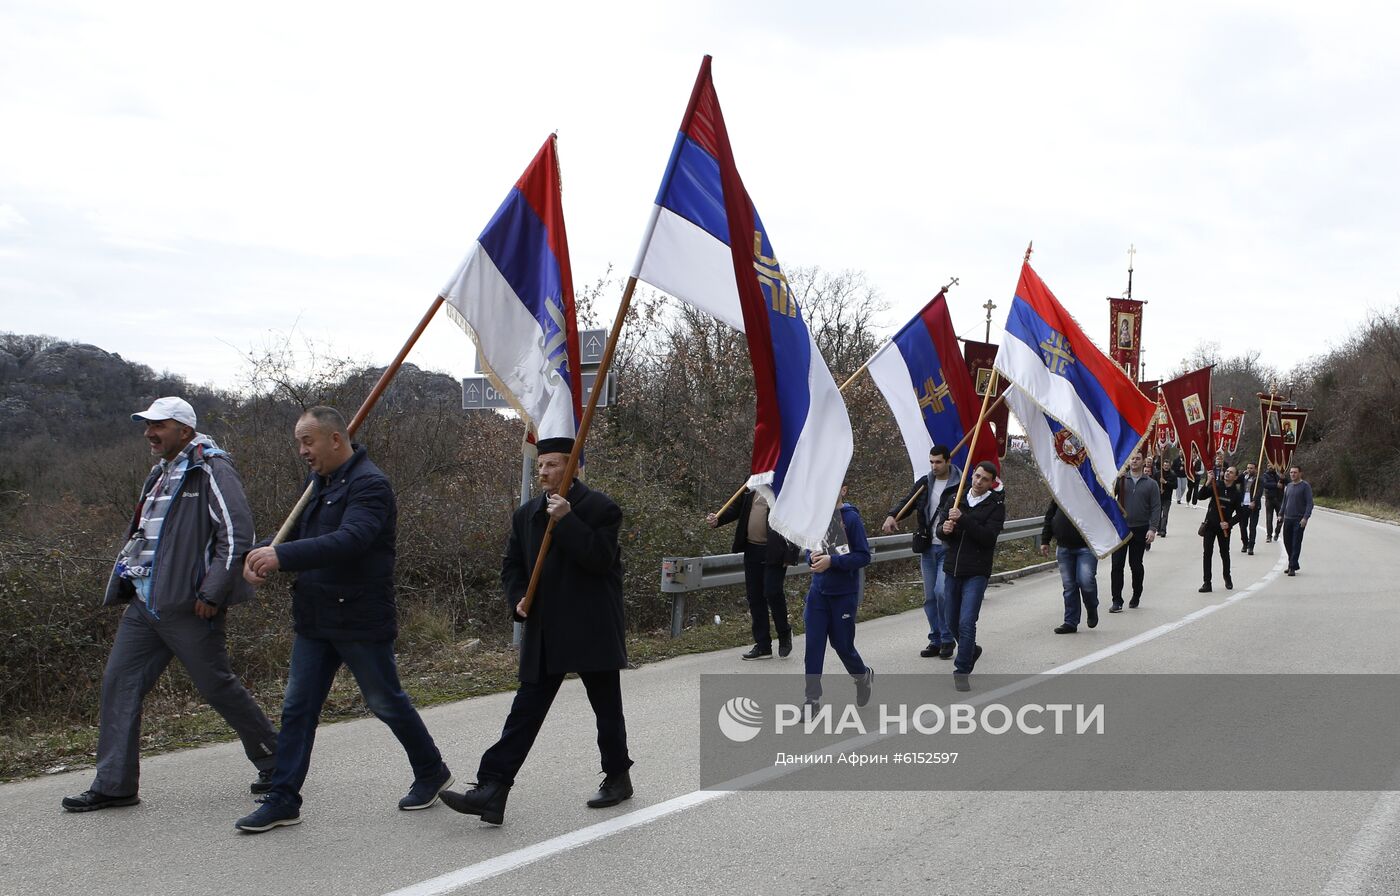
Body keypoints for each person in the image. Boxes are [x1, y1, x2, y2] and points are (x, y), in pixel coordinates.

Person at [234, 407, 452, 833]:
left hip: (358, 617)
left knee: (386, 701)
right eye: (299, 443)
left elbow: (351, 540)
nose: (302, 451)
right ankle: (283, 798)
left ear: (335, 439)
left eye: (307, 441)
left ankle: (431, 770)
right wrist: (257, 554)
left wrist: (281, 557)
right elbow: (295, 537)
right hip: (315, 618)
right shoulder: (318, 484)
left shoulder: (371, 485)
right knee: (297, 709)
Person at [63, 397, 277, 813]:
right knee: (119, 684)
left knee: (216, 686)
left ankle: (277, 760)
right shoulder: (159, 474)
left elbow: (235, 535)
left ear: (183, 429)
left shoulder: (212, 468)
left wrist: (213, 592)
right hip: (145, 604)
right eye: (147, 425)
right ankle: (114, 784)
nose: (149, 432)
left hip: (190, 605)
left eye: (158, 425)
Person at [441, 437, 633, 826]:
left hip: (591, 626)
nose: (543, 472)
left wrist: (566, 520)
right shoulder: (526, 513)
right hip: (545, 629)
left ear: (574, 466)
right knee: (524, 711)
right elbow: (512, 564)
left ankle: (618, 777)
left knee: (606, 709)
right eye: (541, 465)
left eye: (552, 465)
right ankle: (492, 789)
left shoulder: (601, 508)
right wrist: (517, 599)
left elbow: (599, 560)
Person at [934, 461, 1006, 692]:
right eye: (976, 476)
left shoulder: (996, 505)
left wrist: (963, 519)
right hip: (953, 567)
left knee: (967, 621)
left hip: (976, 570)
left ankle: (962, 669)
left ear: (991, 483)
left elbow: (988, 538)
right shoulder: (957, 498)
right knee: (951, 619)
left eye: (984, 479)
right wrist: (944, 529)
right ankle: (971, 649)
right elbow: (941, 529)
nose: (978, 482)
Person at [883, 445, 959, 659]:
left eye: (938, 462)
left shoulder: (960, 485)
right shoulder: (925, 483)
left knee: (942, 593)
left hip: (948, 548)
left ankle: (947, 639)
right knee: (929, 598)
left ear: (948, 461)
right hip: (928, 548)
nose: (934, 466)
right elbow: (907, 502)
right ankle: (935, 640)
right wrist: (892, 515)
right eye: (931, 462)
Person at [802, 486, 874, 711]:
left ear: (843, 490)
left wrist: (832, 562)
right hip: (818, 594)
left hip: (843, 595)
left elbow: (863, 556)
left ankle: (862, 676)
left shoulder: (851, 518)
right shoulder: (816, 516)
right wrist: (811, 557)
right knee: (813, 645)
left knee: (842, 645)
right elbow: (809, 549)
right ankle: (812, 699)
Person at [708, 488, 797, 660]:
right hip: (752, 549)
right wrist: (718, 519)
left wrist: (790, 554)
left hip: (775, 550)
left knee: (772, 592)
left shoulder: (784, 483)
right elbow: (736, 508)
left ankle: (784, 633)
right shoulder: (752, 482)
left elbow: (794, 520)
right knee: (755, 597)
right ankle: (763, 645)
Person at [1108, 452, 1160, 612]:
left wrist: (1152, 529)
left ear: (1144, 461)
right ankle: (1117, 600)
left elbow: (1156, 507)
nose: (1135, 461)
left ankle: (1137, 594)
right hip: (1121, 529)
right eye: (1132, 458)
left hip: (1140, 528)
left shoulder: (1151, 484)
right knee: (1117, 565)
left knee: (1135, 565)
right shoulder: (1121, 480)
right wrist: (1115, 479)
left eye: (1138, 458)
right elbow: (1108, 497)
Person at [1039, 500, 1098, 634]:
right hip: (1064, 547)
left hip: (1087, 547)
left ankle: (1091, 607)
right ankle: (1070, 622)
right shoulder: (1061, 489)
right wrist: (1045, 540)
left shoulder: (1090, 490)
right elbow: (1050, 516)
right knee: (1069, 586)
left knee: (1086, 581)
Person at [1198, 466, 1243, 593]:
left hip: (1224, 528)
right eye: (1227, 471)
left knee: (1224, 553)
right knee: (1207, 553)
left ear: (1235, 477)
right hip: (1210, 526)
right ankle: (1207, 582)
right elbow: (1200, 496)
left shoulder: (1237, 493)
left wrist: (1229, 524)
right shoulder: (1216, 485)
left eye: (1231, 473)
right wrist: (1207, 482)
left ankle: (1227, 577)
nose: (1228, 474)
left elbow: (1240, 514)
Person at [1281, 465, 1314, 576]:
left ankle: (1291, 567)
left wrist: (1305, 518)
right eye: (1291, 472)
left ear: (1300, 473)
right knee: (1287, 542)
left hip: (1298, 520)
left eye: (1295, 472)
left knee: (1296, 543)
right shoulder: (1288, 486)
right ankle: (1293, 563)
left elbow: (1310, 503)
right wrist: (1281, 514)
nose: (1293, 474)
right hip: (1288, 518)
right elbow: (1284, 502)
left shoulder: (1305, 486)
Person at [1261, 463, 1287, 542]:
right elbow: (1265, 484)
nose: (1270, 467)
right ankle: (1269, 536)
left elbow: (1288, 483)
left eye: (1271, 465)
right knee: (1269, 518)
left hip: (1279, 499)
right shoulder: (1265, 475)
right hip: (1270, 499)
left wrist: (1284, 478)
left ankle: (1277, 532)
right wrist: (1276, 485)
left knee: (1280, 518)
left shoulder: (1279, 475)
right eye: (1268, 465)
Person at [1239, 462, 1261, 554]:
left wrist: (1254, 501)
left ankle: (1251, 546)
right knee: (1242, 526)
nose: (1249, 470)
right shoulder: (1244, 478)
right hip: (1243, 505)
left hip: (1253, 506)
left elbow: (1259, 491)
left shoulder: (1259, 479)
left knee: (1252, 527)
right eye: (1248, 468)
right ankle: (1245, 543)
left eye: (1251, 468)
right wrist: (1242, 474)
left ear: (1255, 469)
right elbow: (1236, 481)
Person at [1154, 454, 1178, 537]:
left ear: (1170, 466)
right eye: (1165, 465)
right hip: (1158, 497)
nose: (1166, 467)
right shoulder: (1158, 474)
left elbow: (1175, 486)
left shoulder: (1173, 475)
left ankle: (1163, 530)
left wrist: (1166, 483)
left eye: (1168, 465)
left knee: (1165, 515)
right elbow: (1153, 484)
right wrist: (1158, 489)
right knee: (1158, 514)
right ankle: (1159, 529)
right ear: (1162, 465)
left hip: (1167, 498)